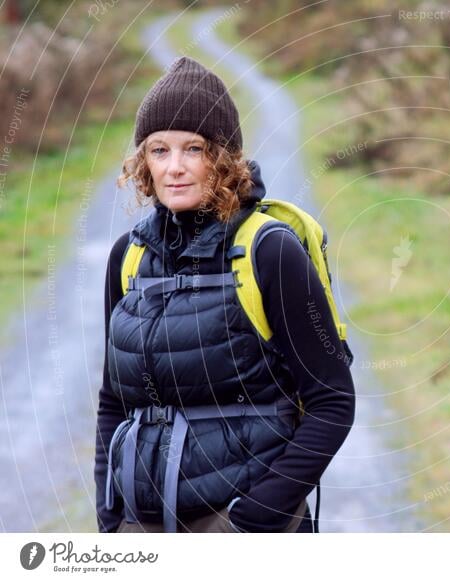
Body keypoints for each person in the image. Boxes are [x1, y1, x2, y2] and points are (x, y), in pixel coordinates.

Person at [93, 56, 355, 533]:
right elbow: (114, 401)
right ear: (142, 162)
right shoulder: (126, 259)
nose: (174, 168)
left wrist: (256, 517)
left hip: (243, 526)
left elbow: (332, 402)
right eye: (158, 150)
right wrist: (110, 518)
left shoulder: (268, 251)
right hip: (142, 526)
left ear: (223, 156)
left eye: (192, 149)